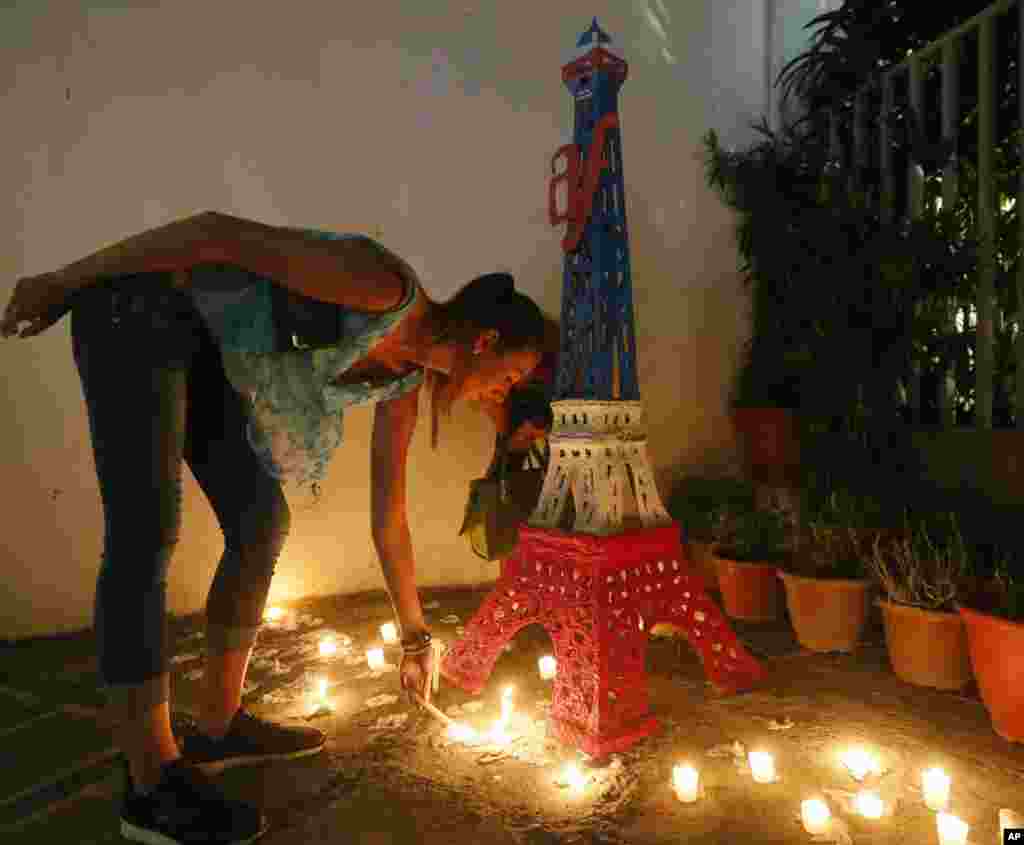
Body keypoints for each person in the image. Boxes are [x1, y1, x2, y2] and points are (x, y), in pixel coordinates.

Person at [1, 210, 559, 845]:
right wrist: (63, 281)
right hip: (137, 315)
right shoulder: (381, 288)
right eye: (510, 377)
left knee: (261, 522)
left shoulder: (407, 375)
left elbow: (390, 510)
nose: (501, 395)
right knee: (146, 532)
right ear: (484, 342)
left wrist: (414, 638)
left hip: (205, 351)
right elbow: (212, 232)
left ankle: (217, 729)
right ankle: (151, 784)